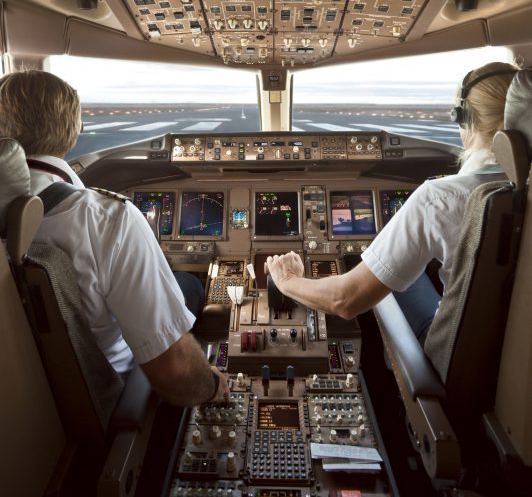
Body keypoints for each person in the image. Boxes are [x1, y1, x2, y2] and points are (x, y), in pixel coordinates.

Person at [0, 69, 229, 406]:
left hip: (25, 404)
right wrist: (213, 384)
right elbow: (178, 377)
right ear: (73, 131)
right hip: (107, 396)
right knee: (188, 285)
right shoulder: (109, 219)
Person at [267, 61, 519, 345]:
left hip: (461, 358)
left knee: (388, 279)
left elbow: (345, 300)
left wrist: (287, 282)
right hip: (514, 359)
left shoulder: (440, 199)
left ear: (466, 120)